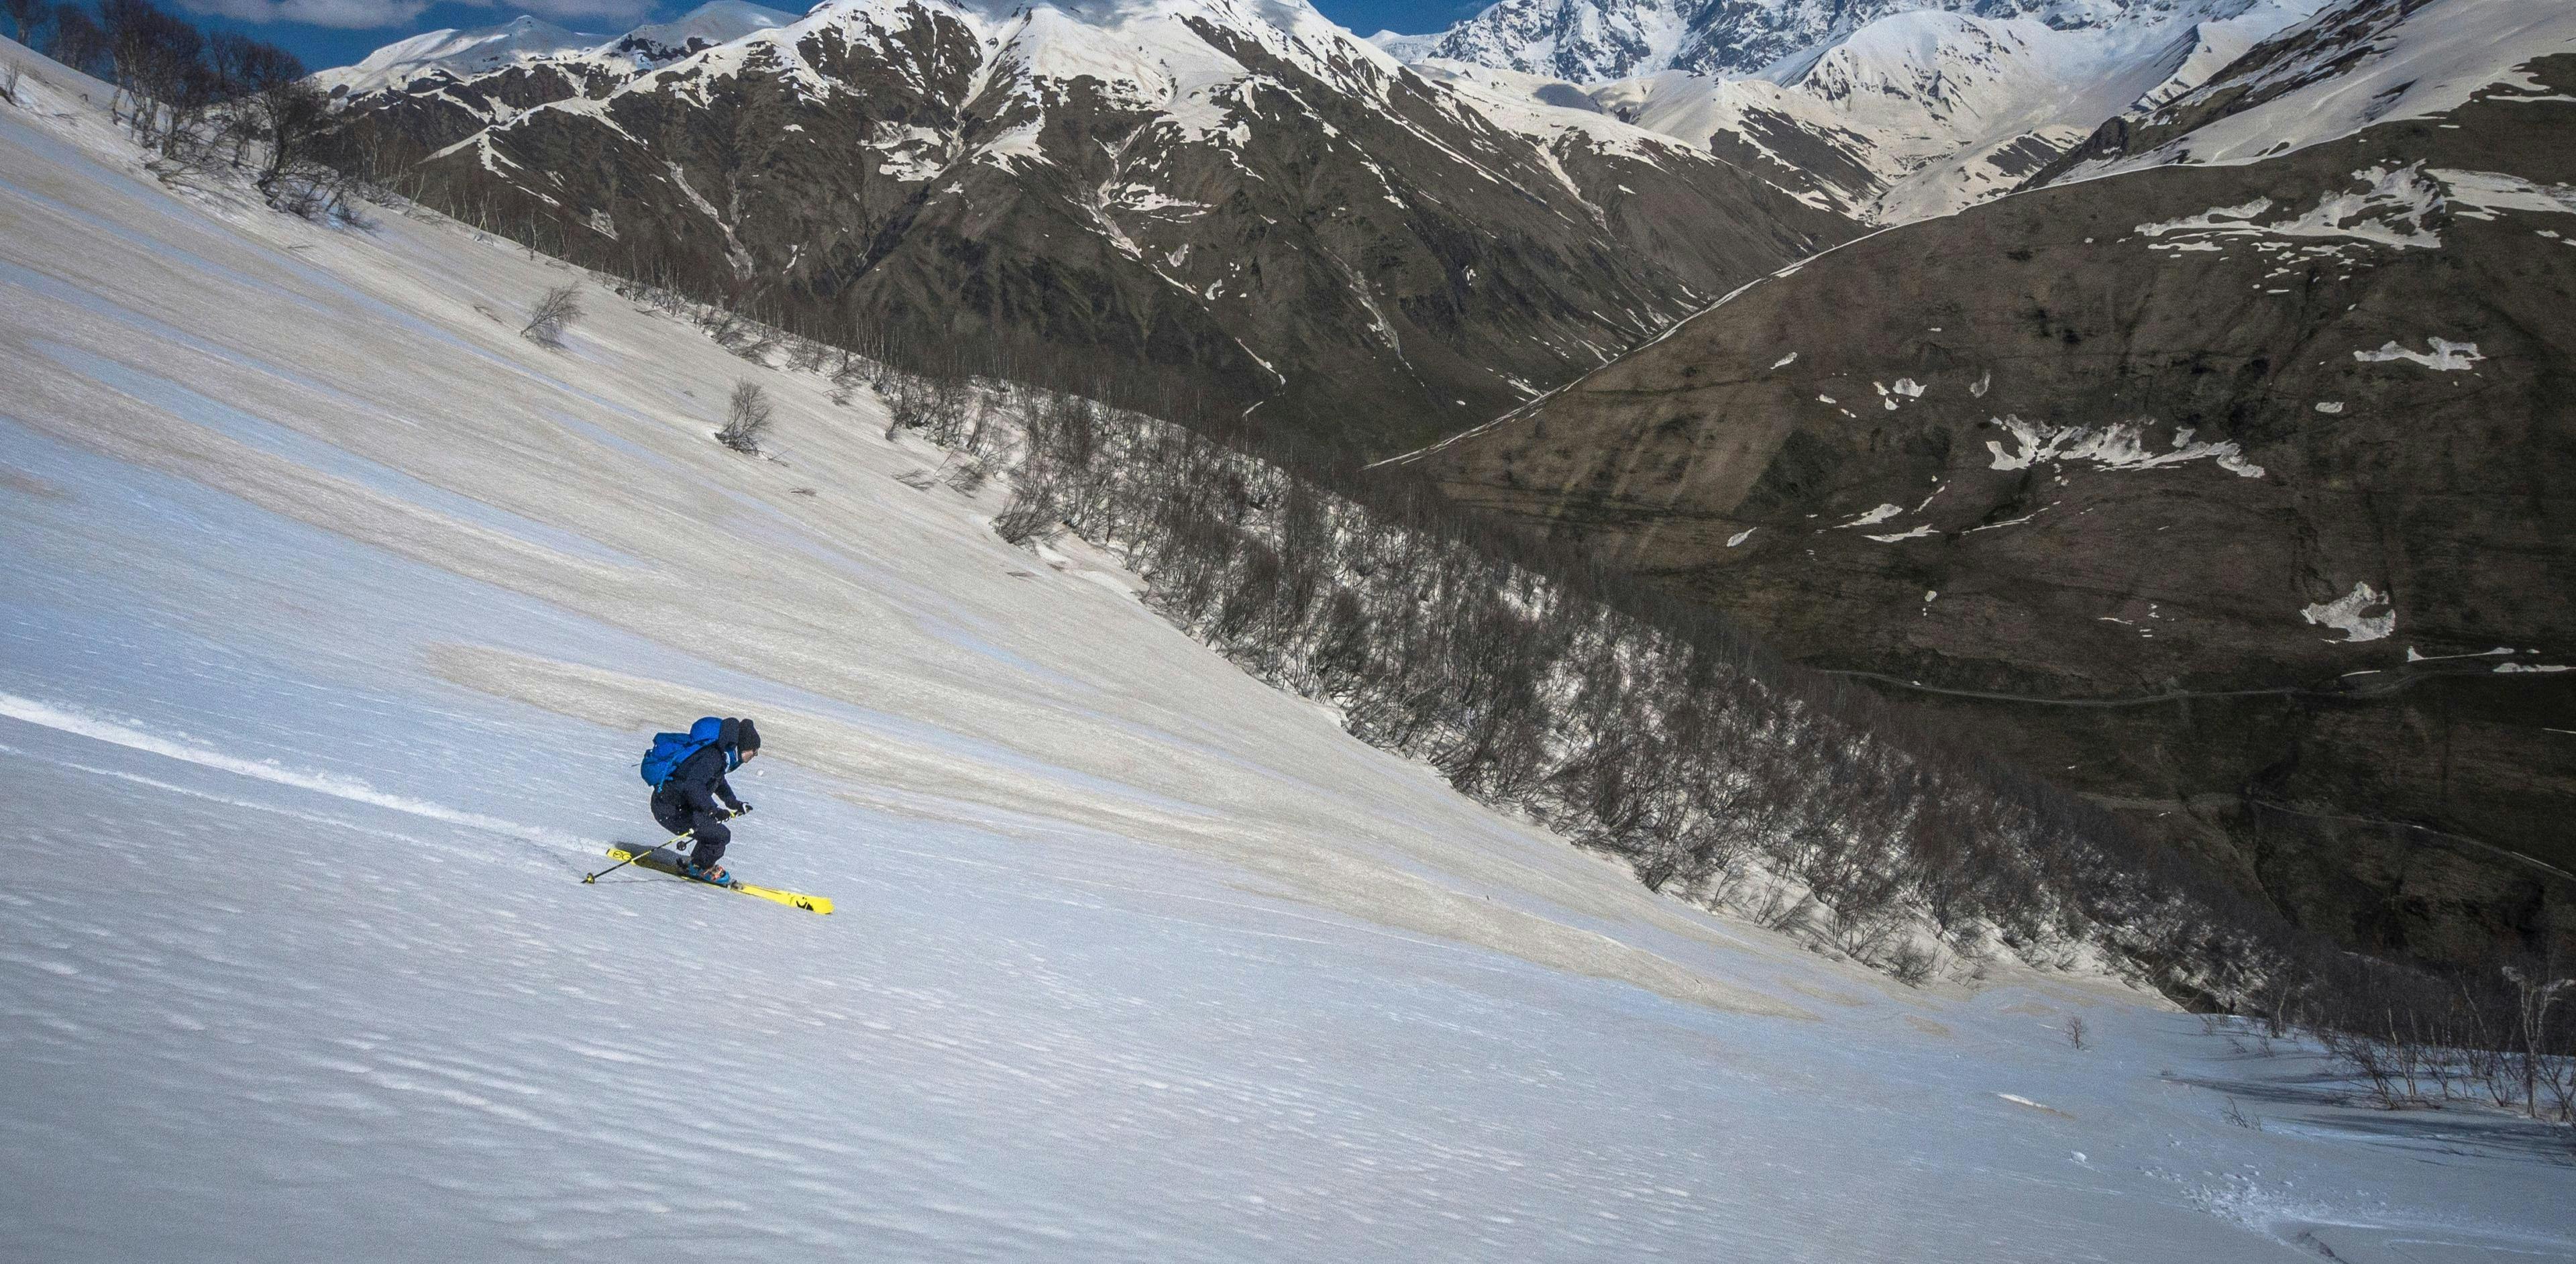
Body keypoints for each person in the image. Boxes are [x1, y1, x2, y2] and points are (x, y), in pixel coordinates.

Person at [649, 716, 760, 884]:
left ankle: (698, 863)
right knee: (720, 836)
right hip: (669, 808)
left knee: (713, 830)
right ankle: (700, 868)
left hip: (677, 805)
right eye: (754, 749)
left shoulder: (721, 755)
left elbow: (717, 780)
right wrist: (713, 810)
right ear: (744, 747)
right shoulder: (713, 757)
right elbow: (693, 786)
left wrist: (733, 802)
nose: (756, 754)